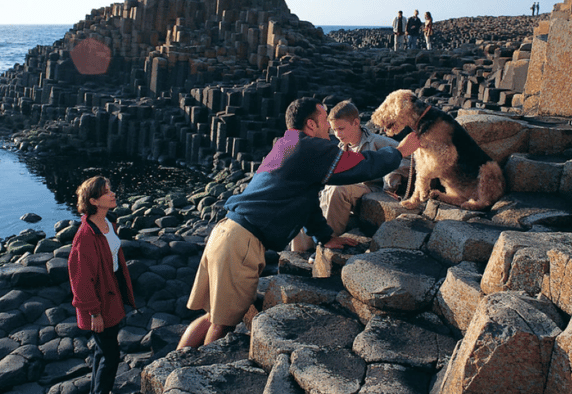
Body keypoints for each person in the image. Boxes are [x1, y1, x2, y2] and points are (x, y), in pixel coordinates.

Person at [177, 97, 421, 348]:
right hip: (241, 243)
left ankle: (178, 361)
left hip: (225, 233)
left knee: (212, 316)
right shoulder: (310, 147)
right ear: (311, 124)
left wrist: (324, 236)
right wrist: (399, 152)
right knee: (223, 323)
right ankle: (200, 367)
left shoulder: (286, 145)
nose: (329, 127)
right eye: (324, 120)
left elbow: (305, 201)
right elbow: (360, 167)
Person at [290, 100, 410, 253]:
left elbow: (406, 158)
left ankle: (326, 246)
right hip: (348, 190)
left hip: (372, 189)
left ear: (356, 123)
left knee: (338, 189)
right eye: (334, 130)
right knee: (305, 204)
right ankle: (298, 255)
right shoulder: (340, 147)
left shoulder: (379, 142)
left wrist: (390, 185)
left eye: (341, 128)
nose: (338, 134)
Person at [68, 176, 136, 394]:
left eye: (110, 189)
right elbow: (80, 280)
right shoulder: (85, 236)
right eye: (107, 192)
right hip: (99, 300)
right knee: (111, 353)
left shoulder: (108, 222)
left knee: (103, 349)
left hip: (111, 290)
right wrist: (94, 313)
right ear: (94, 201)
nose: (113, 194)